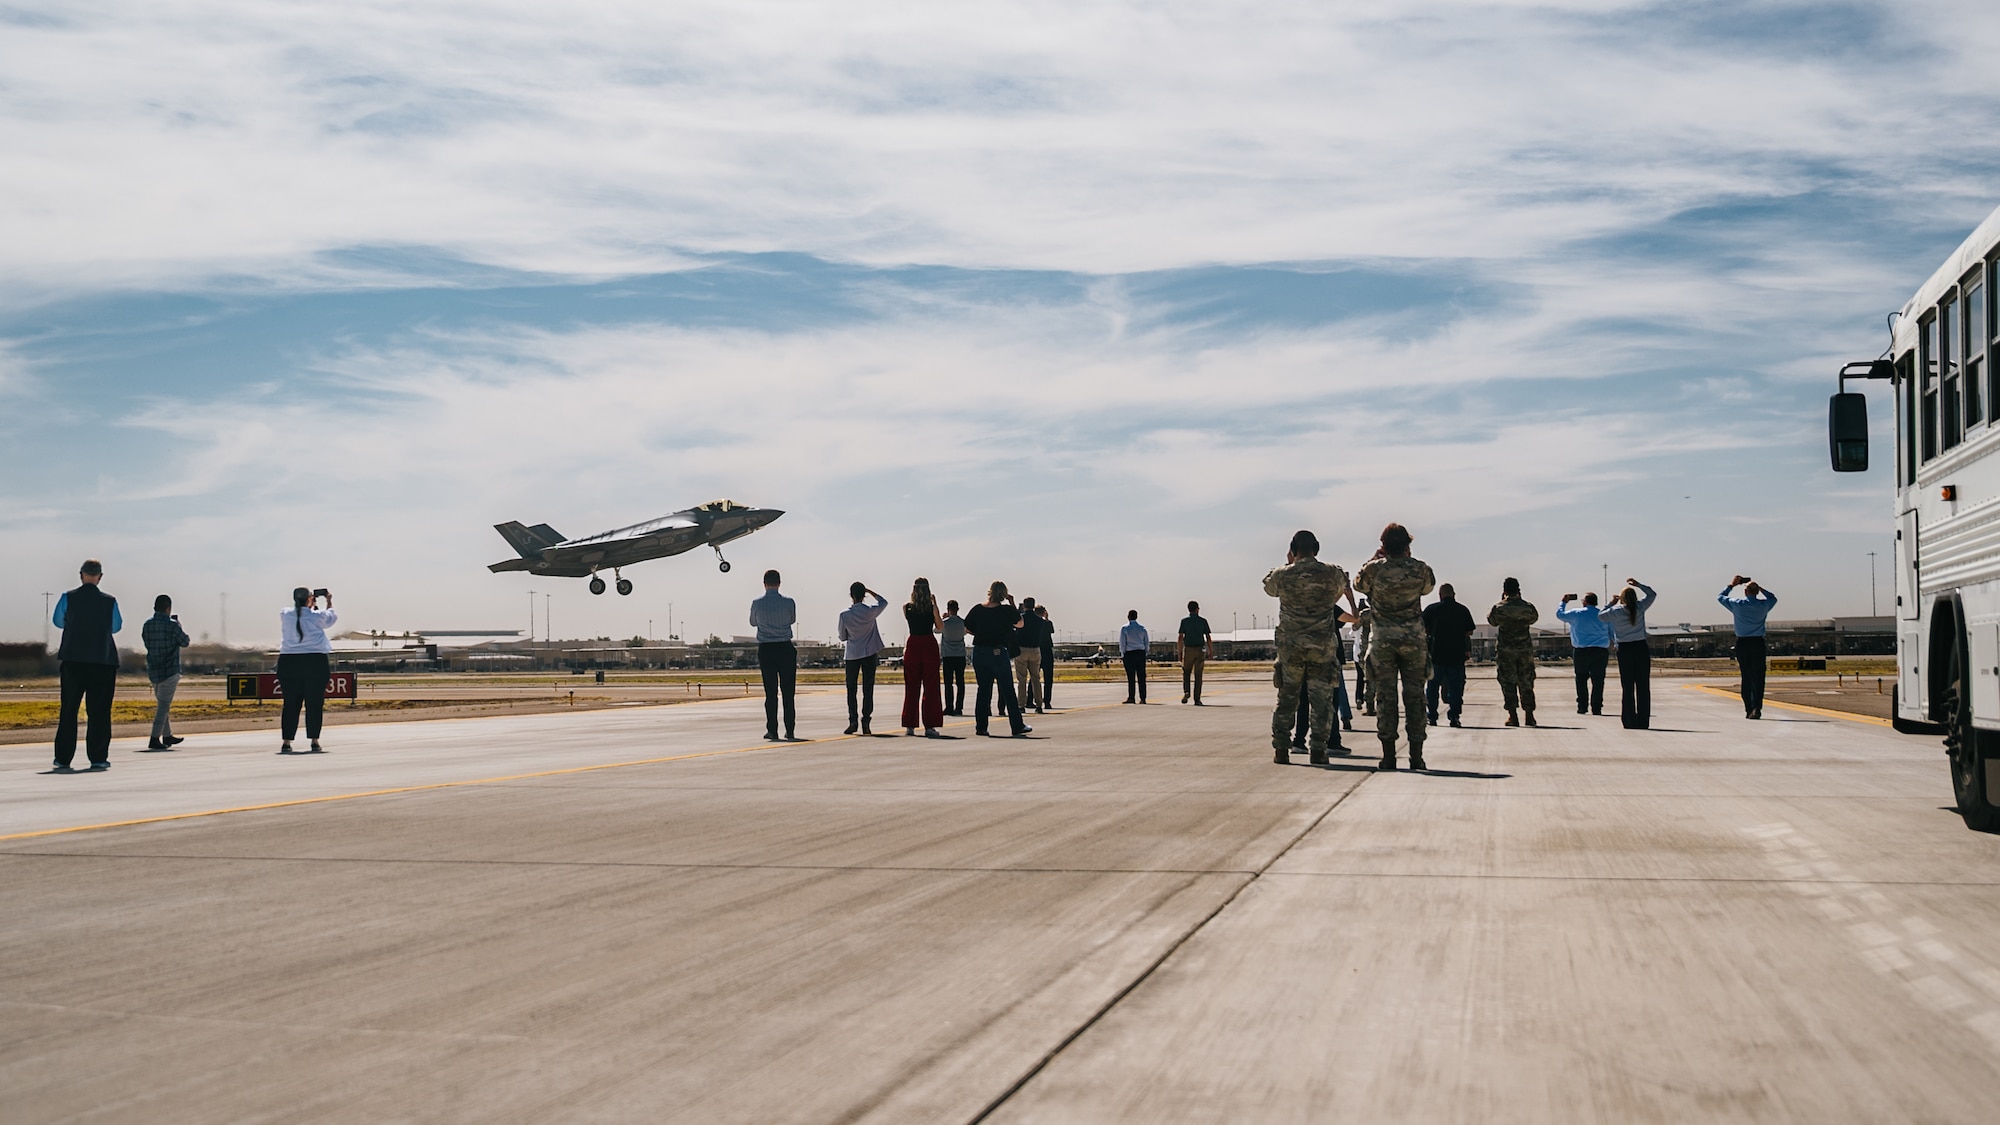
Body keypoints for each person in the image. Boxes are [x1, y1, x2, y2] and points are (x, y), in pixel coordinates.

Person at [1264, 531, 1354, 765]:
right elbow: (1340, 590)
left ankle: (1282, 749)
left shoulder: (1282, 575)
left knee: (1287, 699)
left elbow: (1269, 588)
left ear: (1293, 550)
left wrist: (1289, 563)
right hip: (1321, 648)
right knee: (1322, 701)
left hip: (1291, 649)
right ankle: (1318, 749)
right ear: (1317, 548)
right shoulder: (1332, 573)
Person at [1354, 524, 1436, 771]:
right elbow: (1428, 588)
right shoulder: (1420, 569)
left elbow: (1358, 585)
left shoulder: (1373, 570)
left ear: (1383, 545)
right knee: (1415, 698)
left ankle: (1388, 755)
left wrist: (1374, 559)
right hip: (1413, 641)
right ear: (1407, 545)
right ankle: (1416, 756)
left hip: (1382, 642)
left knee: (1385, 698)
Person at [50, 559, 122, 773]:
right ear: (100, 577)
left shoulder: (68, 598)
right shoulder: (110, 601)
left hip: (73, 660)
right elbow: (116, 627)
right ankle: (98, 757)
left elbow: (58, 622)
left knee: (69, 710)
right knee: (99, 712)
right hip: (102, 660)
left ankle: (63, 758)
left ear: (81, 575)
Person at [965, 582, 1030, 737]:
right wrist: (1013, 604)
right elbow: (1020, 623)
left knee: (983, 690)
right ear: (1003, 594)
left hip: (980, 651)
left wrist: (981, 633)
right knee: (1007, 689)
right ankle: (1017, 725)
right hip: (997, 652)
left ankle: (981, 727)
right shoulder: (1006, 610)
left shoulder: (977, 609)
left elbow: (967, 627)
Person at [277, 586, 337, 754]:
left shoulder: (285, 614)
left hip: (288, 661)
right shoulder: (317, 616)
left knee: (290, 703)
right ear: (309, 599)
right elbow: (331, 617)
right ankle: (314, 740)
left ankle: (286, 741)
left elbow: (298, 614)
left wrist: (308, 604)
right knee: (314, 702)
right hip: (314, 661)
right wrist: (329, 601)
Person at [1600, 579, 1658, 729]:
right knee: (1643, 687)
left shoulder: (1616, 611)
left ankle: (1629, 719)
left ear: (1622, 598)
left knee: (1627, 686)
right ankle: (1643, 721)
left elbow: (1601, 616)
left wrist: (1612, 603)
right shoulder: (1640, 607)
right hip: (1640, 647)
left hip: (1625, 649)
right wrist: (1639, 585)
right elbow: (1652, 594)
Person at [1720, 576, 1778, 719]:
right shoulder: (1763, 605)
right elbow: (1773, 598)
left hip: (1743, 642)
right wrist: (1760, 588)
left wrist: (1732, 585)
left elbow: (1721, 597)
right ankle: (1757, 706)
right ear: (1757, 592)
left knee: (1746, 676)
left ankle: (1748, 708)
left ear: (1745, 592)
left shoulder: (1738, 604)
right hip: (1758, 642)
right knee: (1758, 676)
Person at [750, 569, 799, 740]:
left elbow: (752, 622)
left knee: (770, 693)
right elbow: (792, 619)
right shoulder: (789, 602)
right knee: (788, 692)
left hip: (766, 648)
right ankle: (790, 729)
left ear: (764, 584)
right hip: (785, 648)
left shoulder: (757, 603)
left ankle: (772, 729)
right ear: (779, 583)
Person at [1488, 578, 1541, 727]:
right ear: (1519, 590)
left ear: (1504, 591)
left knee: (1508, 682)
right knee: (1526, 682)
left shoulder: (1499, 607)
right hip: (1524, 650)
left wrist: (1503, 601)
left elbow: (1492, 621)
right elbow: (1534, 618)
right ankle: (1529, 715)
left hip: (1506, 651)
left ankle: (1513, 716)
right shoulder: (1528, 607)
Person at [838, 582, 890, 735]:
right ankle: (866, 721)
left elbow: (842, 637)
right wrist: (871, 591)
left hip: (853, 654)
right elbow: (884, 602)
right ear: (864, 595)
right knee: (868, 689)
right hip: (869, 652)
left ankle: (852, 721)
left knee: (851, 689)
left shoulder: (844, 615)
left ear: (851, 595)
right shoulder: (870, 612)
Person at [141, 594, 191, 750]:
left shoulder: (147, 625)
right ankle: (154, 739)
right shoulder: (172, 625)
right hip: (170, 671)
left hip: (154, 671)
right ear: (168, 608)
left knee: (163, 704)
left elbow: (146, 642)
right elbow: (185, 642)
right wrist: (179, 626)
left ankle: (167, 735)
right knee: (163, 706)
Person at [1423, 584, 1476, 728]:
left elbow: (1423, 628)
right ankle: (1454, 716)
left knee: (1432, 688)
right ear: (1454, 594)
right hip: (1456, 656)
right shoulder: (1462, 610)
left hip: (1436, 656)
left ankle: (1432, 716)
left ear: (1440, 595)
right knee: (1455, 688)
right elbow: (1469, 631)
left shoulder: (1431, 610)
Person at [900, 578, 946, 737]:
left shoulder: (907, 608)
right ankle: (930, 725)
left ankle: (910, 725)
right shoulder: (931, 608)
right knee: (931, 686)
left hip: (913, 644)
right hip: (928, 643)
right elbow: (940, 627)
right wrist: (936, 607)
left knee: (911, 686)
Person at [1556, 592, 1612, 715]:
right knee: (1598, 680)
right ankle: (1597, 707)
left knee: (1581, 679)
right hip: (1600, 650)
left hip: (1582, 651)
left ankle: (1582, 706)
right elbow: (1611, 631)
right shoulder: (1602, 614)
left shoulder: (1577, 613)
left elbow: (1560, 615)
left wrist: (1563, 602)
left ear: (1584, 602)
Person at [1014, 597, 1047, 715]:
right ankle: (1039, 704)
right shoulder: (1039, 620)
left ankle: (1021, 704)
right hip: (1035, 649)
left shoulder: (1021, 618)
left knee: (1021, 679)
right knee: (1036, 678)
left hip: (1021, 649)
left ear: (1024, 605)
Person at [1179, 600, 1215, 705]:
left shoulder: (1184, 621)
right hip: (1200, 650)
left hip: (1188, 649)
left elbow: (1180, 637)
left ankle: (1186, 692)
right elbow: (1208, 637)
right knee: (1198, 675)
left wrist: (1180, 652)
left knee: (1186, 672)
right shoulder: (1203, 621)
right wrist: (1211, 650)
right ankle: (1197, 699)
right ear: (1197, 609)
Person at [939, 599, 969, 717]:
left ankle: (949, 707)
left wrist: (942, 619)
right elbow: (966, 632)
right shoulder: (963, 622)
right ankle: (959, 707)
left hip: (948, 656)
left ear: (948, 609)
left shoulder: (945, 623)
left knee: (948, 683)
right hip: (960, 654)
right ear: (958, 609)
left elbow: (936, 629)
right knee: (960, 682)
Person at [1119, 610, 1151, 703]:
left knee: (1131, 677)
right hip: (1140, 653)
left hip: (1129, 654)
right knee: (1141, 677)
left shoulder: (1125, 629)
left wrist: (1123, 653)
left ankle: (1131, 697)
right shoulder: (1142, 628)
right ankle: (1143, 698)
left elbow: (1122, 643)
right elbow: (1146, 642)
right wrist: (1145, 652)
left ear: (1128, 616)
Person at [1036, 604, 1057, 709]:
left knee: (1034, 676)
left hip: (1037, 649)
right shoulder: (1047, 623)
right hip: (1047, 650)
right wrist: (1047, 618)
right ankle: (1047, 701)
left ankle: (1031, 698)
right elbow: (1051, 631)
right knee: (1048, 678)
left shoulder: (1034, 624)